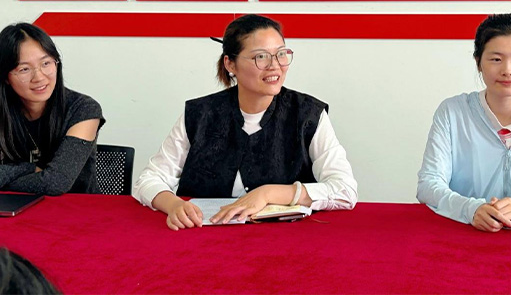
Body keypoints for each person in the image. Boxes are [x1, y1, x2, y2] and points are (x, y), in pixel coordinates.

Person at [133, 14, 358, 229]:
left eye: (281, 54)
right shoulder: (200, 113)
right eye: (261, 57)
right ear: (230, 64)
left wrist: (269, 193)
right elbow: (149, 179)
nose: (274, 65)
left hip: (285, 240)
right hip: (203, 235)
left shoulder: (308, 114)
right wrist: (173, 205)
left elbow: (345, 189)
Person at [417, 14, 511, 232]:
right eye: (496, 59)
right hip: (463, 235)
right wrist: (470, 209)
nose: (507, 70)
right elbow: (428, 184)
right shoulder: (453, 112)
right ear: (478, 62)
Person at [0, 23, 105, 195]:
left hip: (78, 207)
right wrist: (31, 168)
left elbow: (55, 182)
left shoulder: (83, 109)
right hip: (15, 208)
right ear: (5, 77)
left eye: (46, 63)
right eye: (24, 69)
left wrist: (6, 179)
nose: (39, 77)